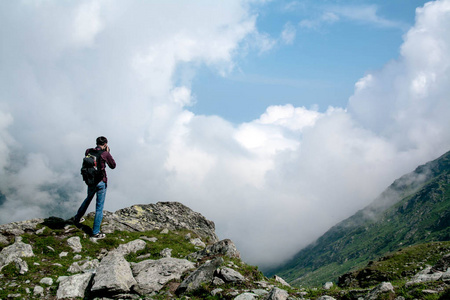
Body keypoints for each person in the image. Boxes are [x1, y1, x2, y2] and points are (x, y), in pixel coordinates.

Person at [73, 136, 116, 239]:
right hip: (101, 182)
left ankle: (77, 218)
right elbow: (113, 165)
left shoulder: (88, 151)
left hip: (91, 181)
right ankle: (95, 232)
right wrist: (108, 152)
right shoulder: (105, 154)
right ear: (105, 144)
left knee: (88, 199)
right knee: (99, 208)